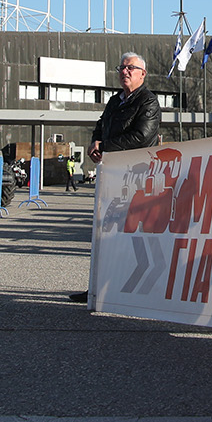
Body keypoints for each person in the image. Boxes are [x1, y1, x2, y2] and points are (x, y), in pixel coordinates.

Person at [70, 52, 160, 303]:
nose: (125, 71)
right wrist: (94, 143)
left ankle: (137, 288)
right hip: (111, 174)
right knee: (105, 232)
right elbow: (100, 125)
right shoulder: (113, 101)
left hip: (136, 178)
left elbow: (141, 136)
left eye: (131, 67)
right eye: (122, 67)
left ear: (143, 73)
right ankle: (97, 289)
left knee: (134, 235)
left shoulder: (148, 102)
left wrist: (105, 145)